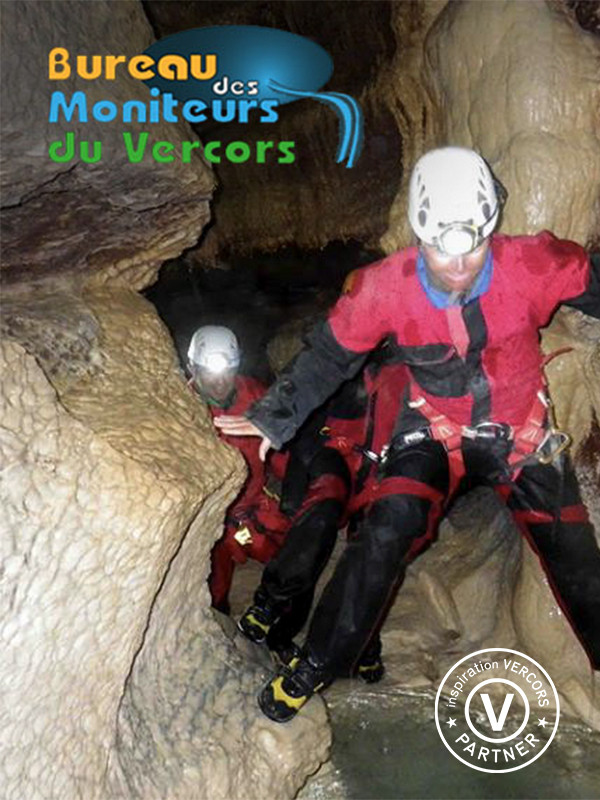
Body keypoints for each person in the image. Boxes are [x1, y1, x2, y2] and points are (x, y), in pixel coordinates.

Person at [215, 146, 600, 723]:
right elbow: (328, 357)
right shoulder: (382, 289)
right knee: (385, 531)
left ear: (491, 226)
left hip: (518, 434)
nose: (461, 262)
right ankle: (315, 664)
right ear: (419, 237)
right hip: (434, 433)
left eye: (474, 242)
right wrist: (276, 416)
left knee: (573, 551)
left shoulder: (533, 264)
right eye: (445, 249)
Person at [237, 344, 409, 683]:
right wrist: (295, 491)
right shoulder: (343, 359)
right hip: (334, 454)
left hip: (382, 467)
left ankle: (361, 645)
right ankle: (272, 605)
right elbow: (308, 412)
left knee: (378, 549)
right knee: (320, 516)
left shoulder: (414, 369)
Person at [187, 325, 289, 614]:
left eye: (227, 370)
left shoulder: (254, 393)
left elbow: (281, 446)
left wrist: (292, 484)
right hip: (217, 517)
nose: (220, 381)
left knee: (289, 552)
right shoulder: (184, 410)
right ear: (192, 367)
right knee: (214, 578)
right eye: (209, 372)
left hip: (257, 500)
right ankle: (219, 611)